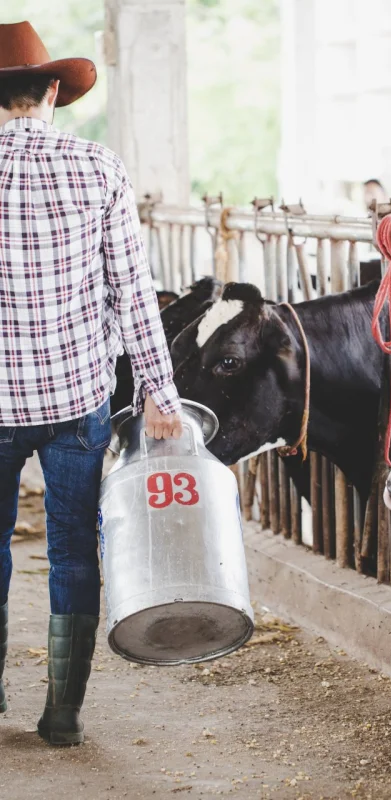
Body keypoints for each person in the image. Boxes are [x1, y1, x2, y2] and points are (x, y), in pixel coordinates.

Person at [0, 21, 182, 745]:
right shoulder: (97, 168)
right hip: (78, 397)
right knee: (75, 550)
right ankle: (62, 715)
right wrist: (159, 393)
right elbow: (131, 291)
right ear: (51, 91)